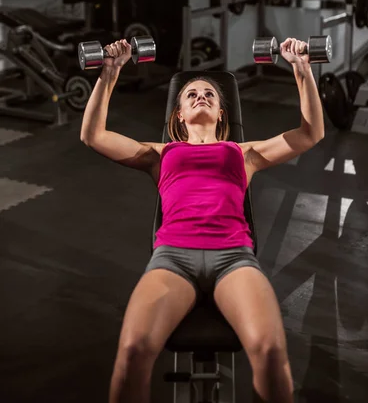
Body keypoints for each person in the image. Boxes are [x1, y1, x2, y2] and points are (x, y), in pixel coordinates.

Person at [80, 37, 325, 403]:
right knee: (132, 352)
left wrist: (302, 69)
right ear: (178, 113)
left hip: (234, 258)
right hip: (172, 259)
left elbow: (310, 134)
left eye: (210, 95)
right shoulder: (160, 153)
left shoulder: (244, 153)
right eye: (192, 94)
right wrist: (109, 74)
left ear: (222, 113)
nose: (201, 97)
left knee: (271, 353)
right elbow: (93, 135)